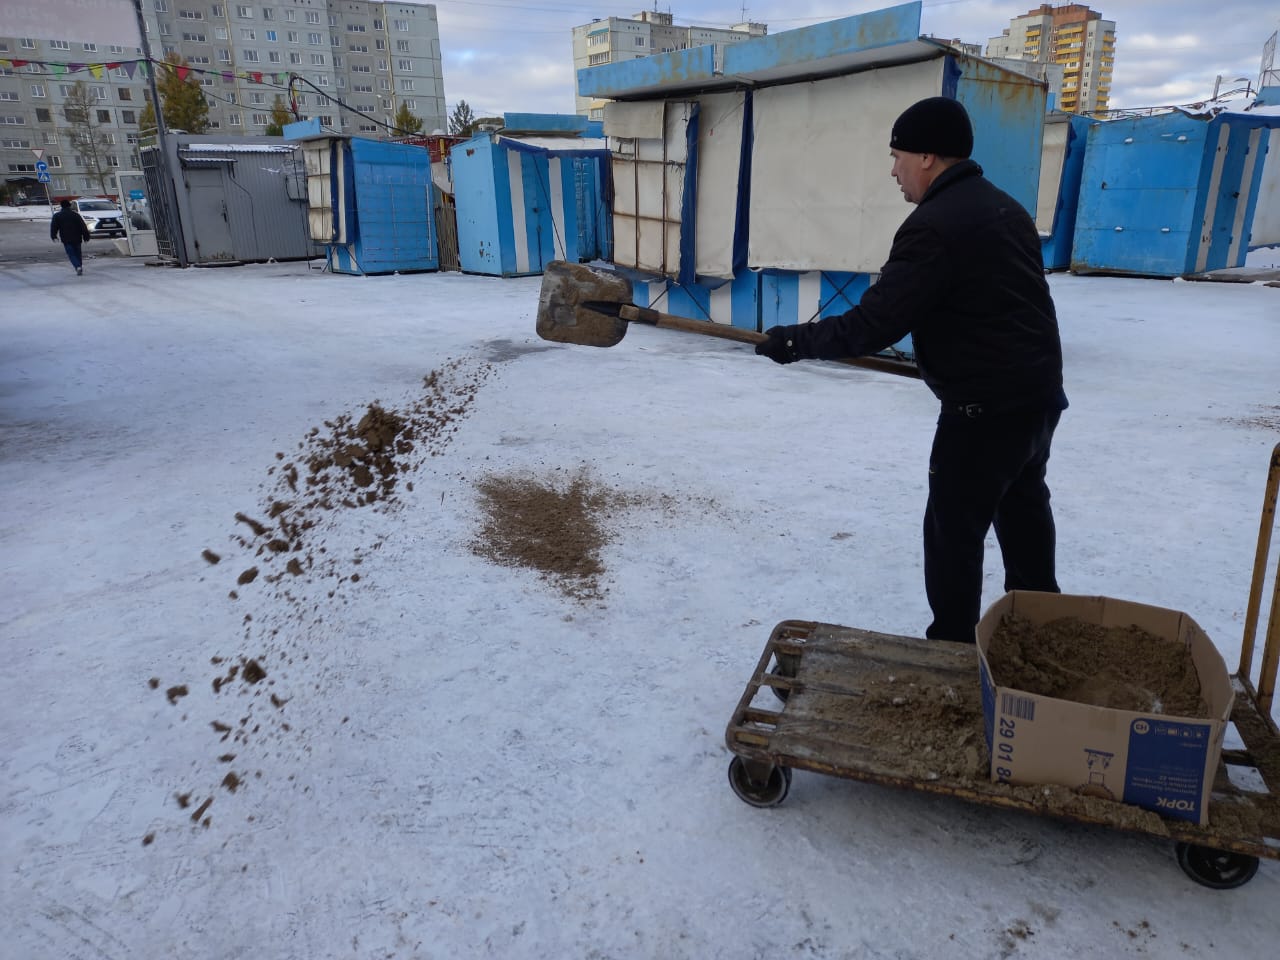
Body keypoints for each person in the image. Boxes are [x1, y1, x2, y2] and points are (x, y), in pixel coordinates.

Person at [754, 96, 1067, 643]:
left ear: (927, 157)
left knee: (953, 534)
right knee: (1022, 514)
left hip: (983, 410)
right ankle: (1042, 633)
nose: (892, 168)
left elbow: (875, 324)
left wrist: (793, 341)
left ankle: (952, 652)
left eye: (897, 154)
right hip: (1036, 399)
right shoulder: (1004, 209)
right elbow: (996, 307)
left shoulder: (934, 226)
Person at [50, 199, 92, 275]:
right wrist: (86, 237)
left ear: (61, 206)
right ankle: (79, 266)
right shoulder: (75, 215)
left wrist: (54, 236)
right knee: (78, 253)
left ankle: (77, 266)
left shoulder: (57, 216)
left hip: (66, 238)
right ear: (69, 206)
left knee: (71, 254)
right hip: (77, 237)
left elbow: (54, 227)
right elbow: (83, 226)